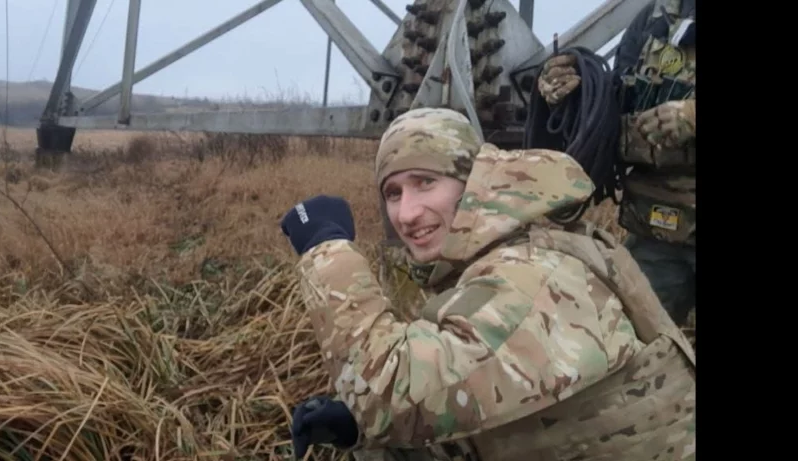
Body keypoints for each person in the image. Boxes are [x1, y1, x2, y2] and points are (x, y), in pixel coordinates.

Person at [278, 107, 695, 461]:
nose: (406, 213)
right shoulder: (502, 256)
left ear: (472, 182)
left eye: (425, 182)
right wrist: (355, 429)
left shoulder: (533, 276)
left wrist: (325, 248)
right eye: (393, 193)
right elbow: (483, 420)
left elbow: (388, 397)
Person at [536, 0, 695, 326]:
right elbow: (619, 99)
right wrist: (577, 89)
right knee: (631, 339)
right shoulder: (655, 17)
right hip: (660, 230)